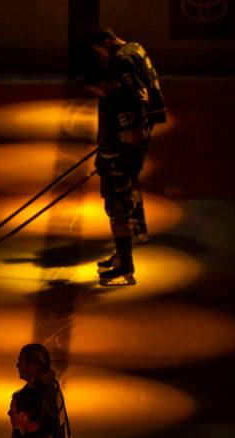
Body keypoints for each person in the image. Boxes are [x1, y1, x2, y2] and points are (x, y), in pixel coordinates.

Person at [85, 26, 166, 287]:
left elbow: (131, 124)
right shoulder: (135, 48)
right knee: (121, 200)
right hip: (129, 142)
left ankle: (126, 259)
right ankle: (125, 248)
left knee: (119, 203)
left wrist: (113, 158)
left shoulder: (121, 76)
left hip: (123, 152)